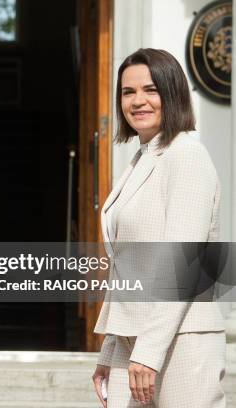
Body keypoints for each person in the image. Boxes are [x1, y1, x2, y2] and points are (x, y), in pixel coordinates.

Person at [90, 48, 226, 407]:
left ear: (172, 93)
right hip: (132, 340)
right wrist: (110, 350)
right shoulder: (141, 159)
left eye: (151, 90)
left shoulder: (187, 156)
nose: (138, 101)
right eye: (128, 92)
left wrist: (148, 352)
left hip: (181, 340)